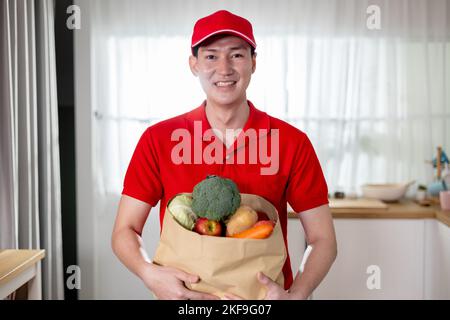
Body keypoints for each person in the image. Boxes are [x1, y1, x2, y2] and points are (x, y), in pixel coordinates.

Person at [111, 9, 337, 300]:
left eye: (237, 55)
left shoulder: (291, 143)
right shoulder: (159, 140)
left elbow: (323, 239)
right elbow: (124, 230)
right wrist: (150, 274)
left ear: (253, 63)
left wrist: (298, 294)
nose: (224, 68)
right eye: (211, 56)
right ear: (193, 64)